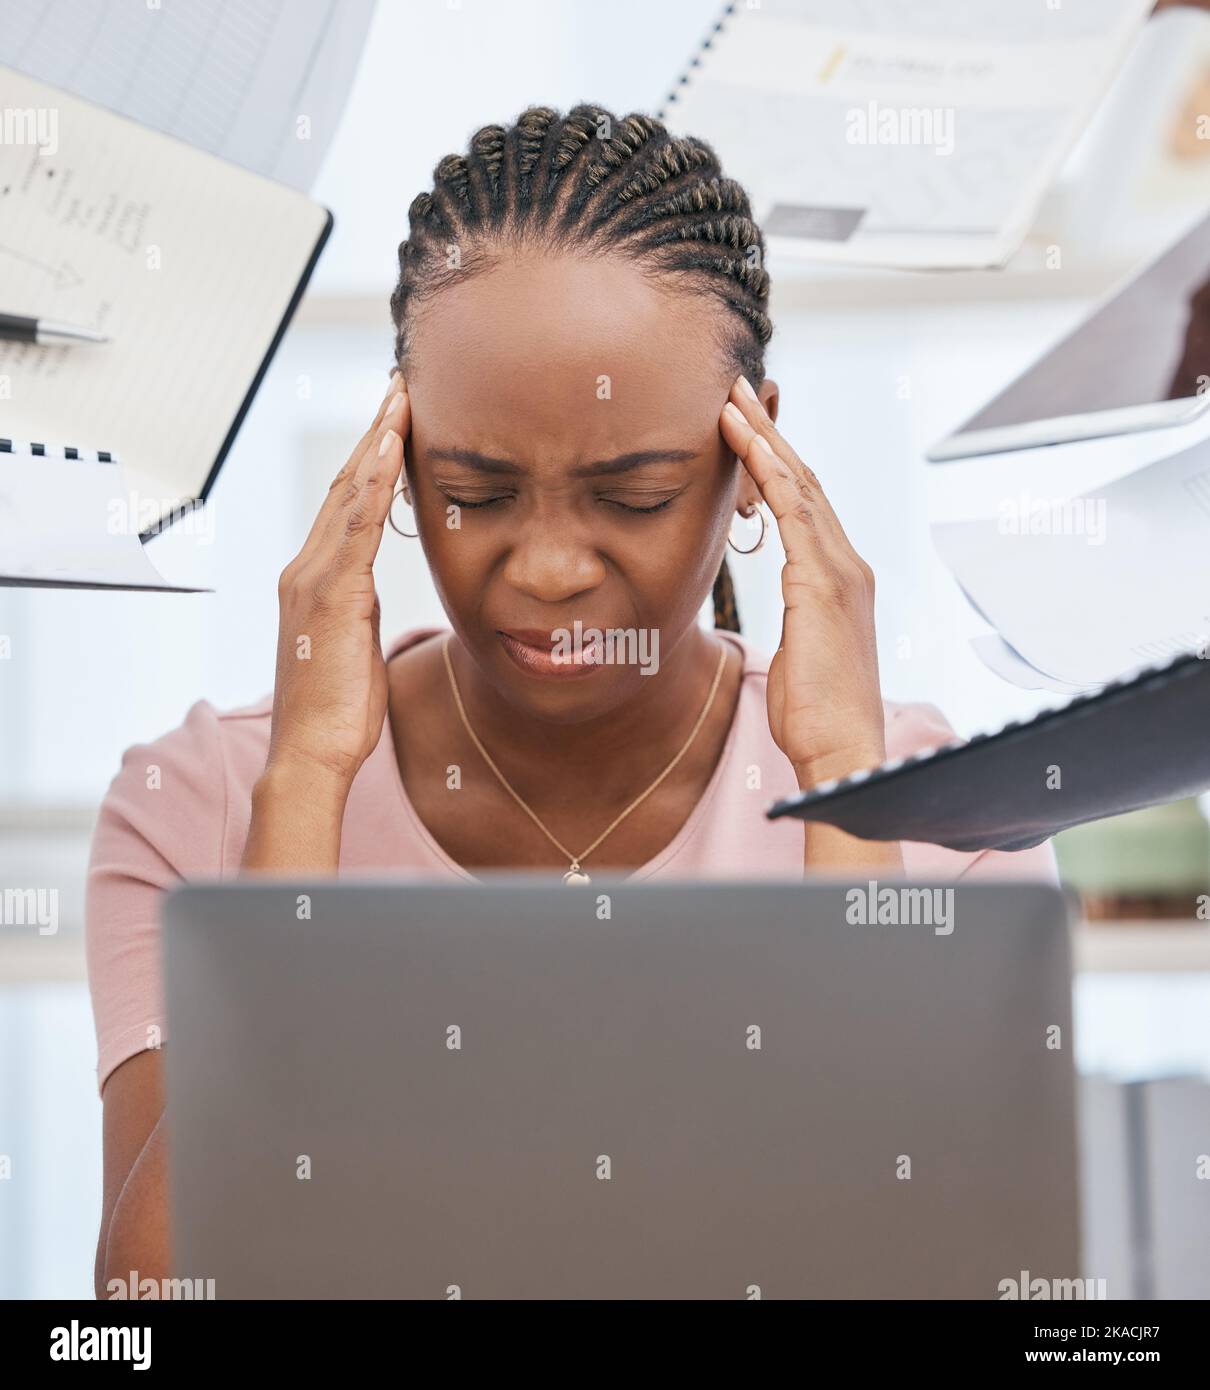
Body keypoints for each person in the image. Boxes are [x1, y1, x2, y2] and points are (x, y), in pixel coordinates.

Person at [85, 105, 1054, 1295]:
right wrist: (304, 792)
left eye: (633, 495)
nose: (547, 569)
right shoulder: (201, 803)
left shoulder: (946, 819)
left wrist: (846, 787)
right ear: (394, 456)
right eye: (475, 491)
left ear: (755, 462)